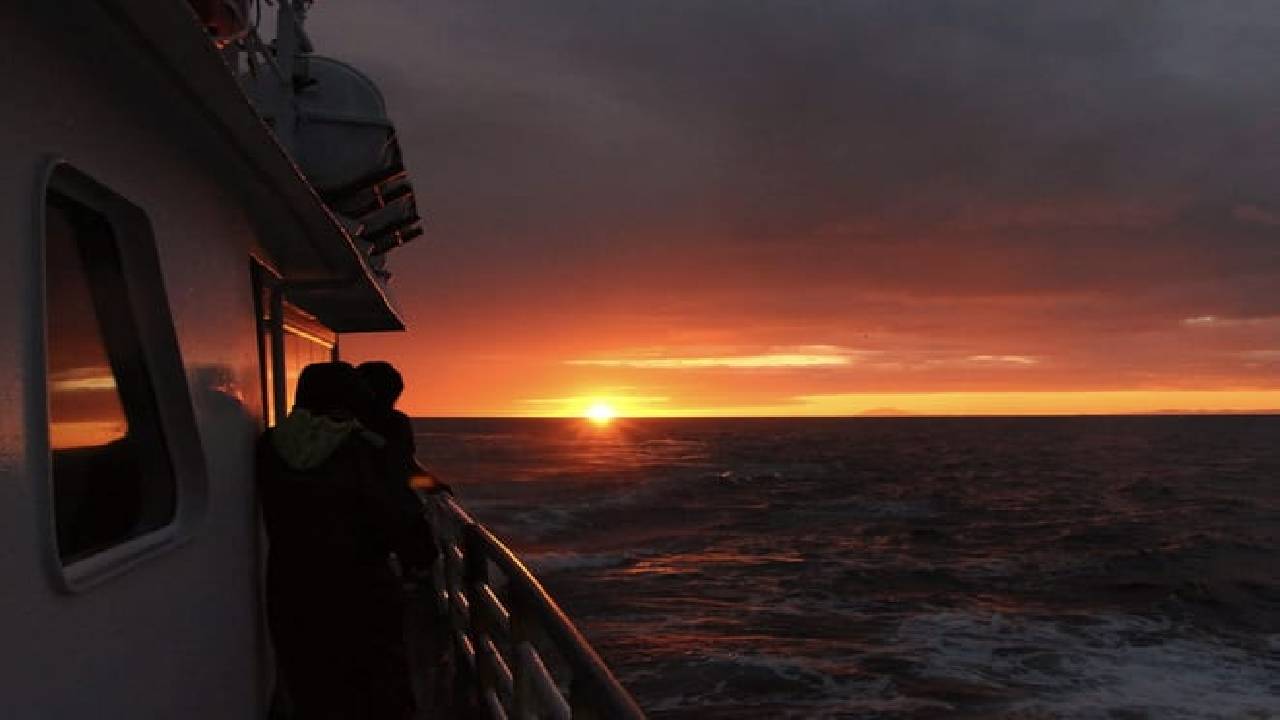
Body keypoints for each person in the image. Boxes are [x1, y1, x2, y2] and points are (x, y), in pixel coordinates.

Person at [257, 361, 434, 719]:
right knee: (378, 685)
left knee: (311, 682)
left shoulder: (268, 447)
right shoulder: (365, 449)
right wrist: (420, 557)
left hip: (291, 586)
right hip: (359, 588)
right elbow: (397, 510)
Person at [356, 360, 450, 494]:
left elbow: (405, 465)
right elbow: (403, 468)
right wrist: (433, 485)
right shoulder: (396, 422)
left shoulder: (342, 426)